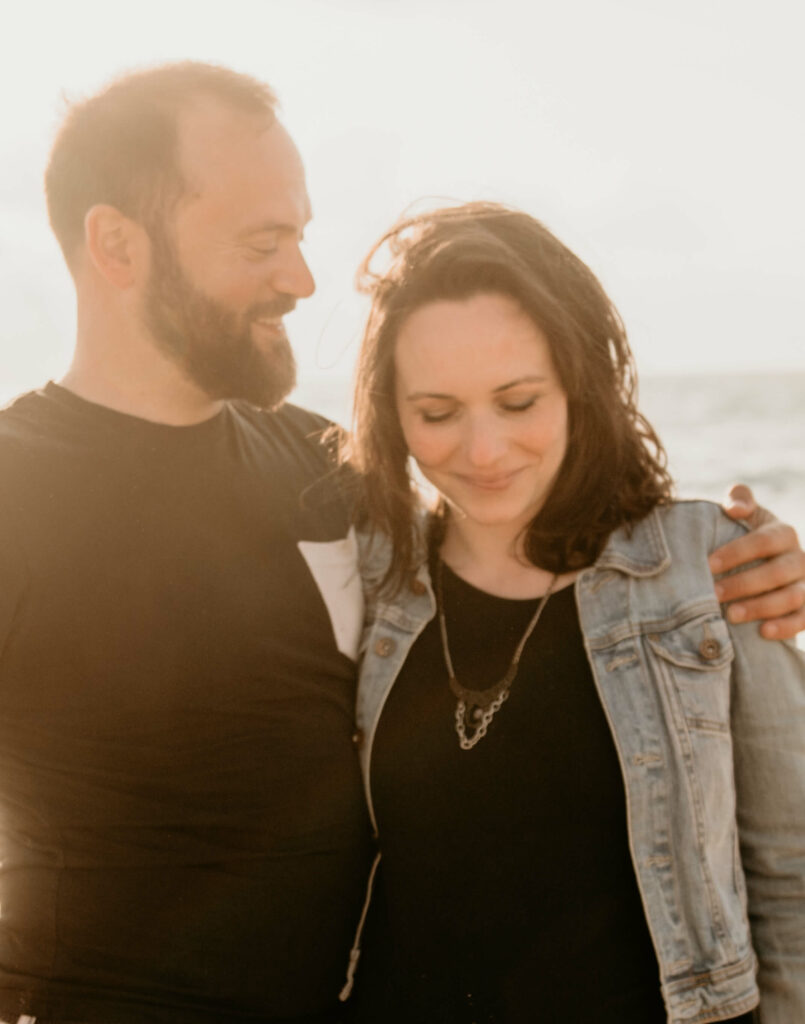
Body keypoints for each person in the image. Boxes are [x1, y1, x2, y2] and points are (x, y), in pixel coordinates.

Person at [0, 62, 801, 1024]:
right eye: (265, 243)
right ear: (115, 244)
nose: (300, 280)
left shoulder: (326, 476)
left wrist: (755, 568)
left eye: (299, 237)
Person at [344, 202, 805, 1023]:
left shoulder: (707, 566)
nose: (482, 452)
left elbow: (791, 871)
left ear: (579, 388)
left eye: (518, 402)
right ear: (392, 413)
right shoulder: (369, 579)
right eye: (437, 413)